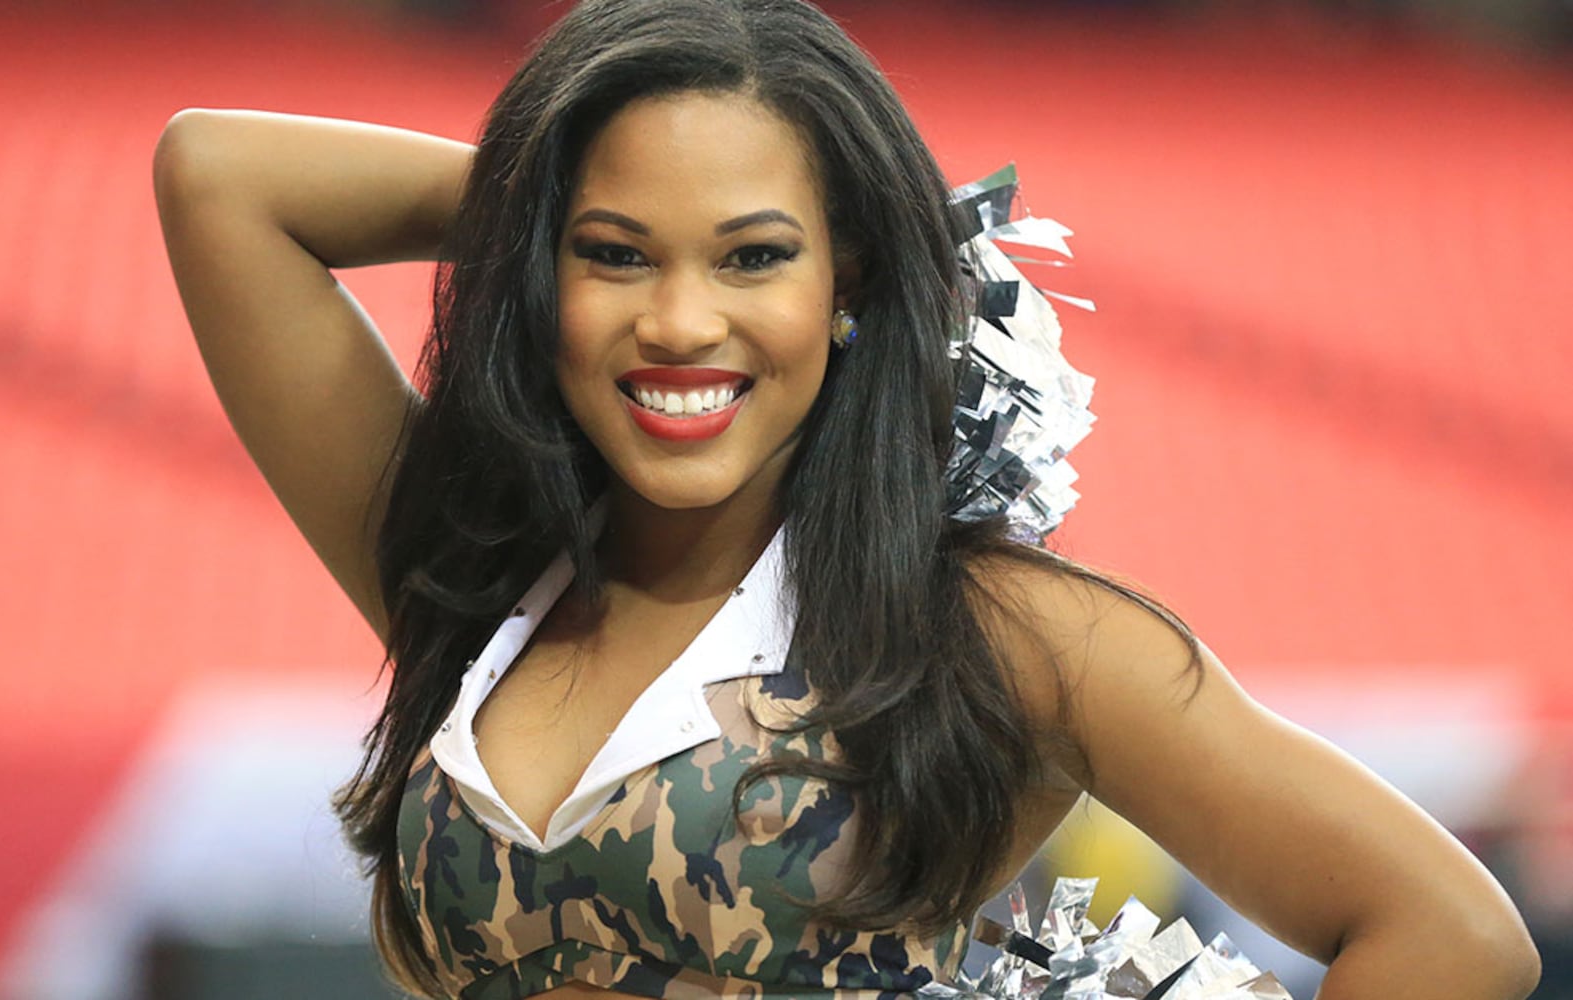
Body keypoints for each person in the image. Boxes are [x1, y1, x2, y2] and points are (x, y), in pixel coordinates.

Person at [151, 0, 1541, 997]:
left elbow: (1451, 938)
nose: (680, 321)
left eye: (754, 257)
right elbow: (219, 178)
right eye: (617, 256)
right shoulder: (476, 585)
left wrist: (631, 210)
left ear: (850, 282)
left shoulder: (991, 627)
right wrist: (550, 204)